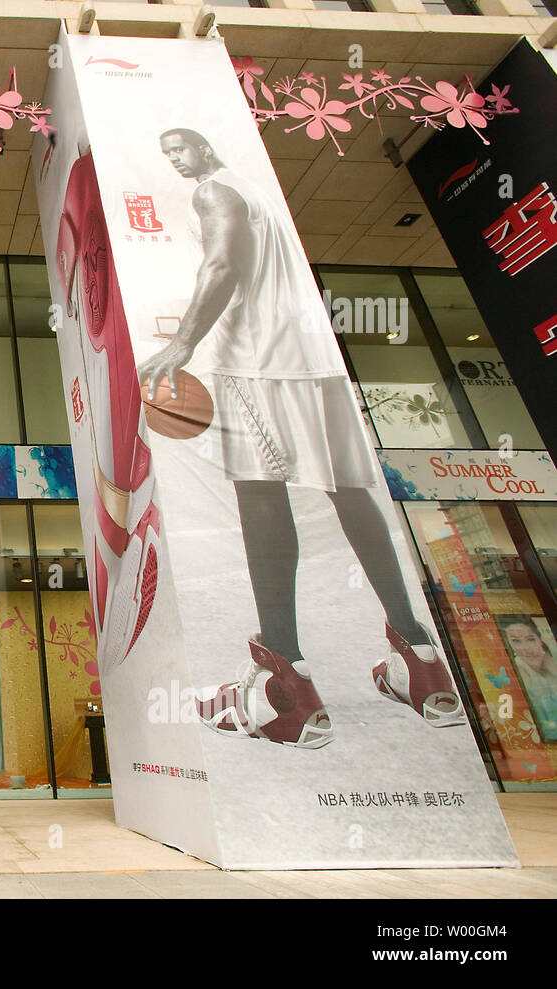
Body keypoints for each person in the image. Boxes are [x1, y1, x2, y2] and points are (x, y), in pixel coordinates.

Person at [140, 128, 465, 749]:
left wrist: (183, 343)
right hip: (314, 357)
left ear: (206, 148)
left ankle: (285, 687)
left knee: (261, 493)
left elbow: (222, 264)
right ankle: (421, 662)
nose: (175, 160)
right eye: (167, 154)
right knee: (349, 490)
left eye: (179, 148)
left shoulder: (214, 192)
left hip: (259, 361)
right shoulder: (256, 190)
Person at [499, 615, 557, 738]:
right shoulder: (515, 672)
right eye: (516, 641)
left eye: (531, 639)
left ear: (539, 639)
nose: (526, 648)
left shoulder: (553, 656)